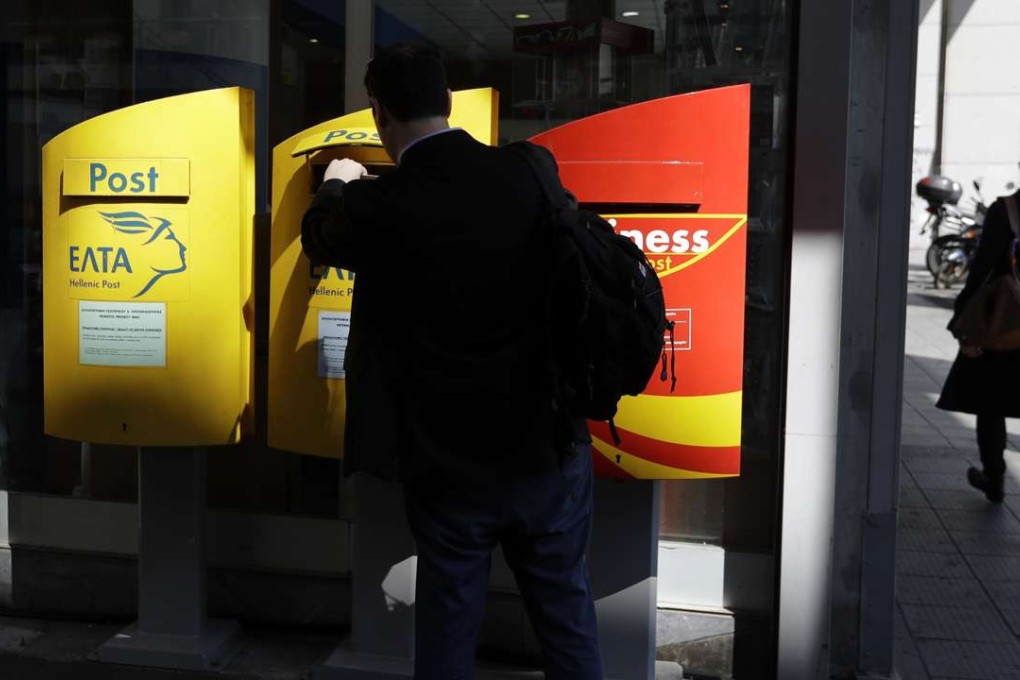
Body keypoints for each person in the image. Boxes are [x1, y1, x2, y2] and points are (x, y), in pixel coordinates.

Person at [301, 43, 603, 679]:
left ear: (380, 113)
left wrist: (336, 182)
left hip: (450, 463)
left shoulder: (381, 207)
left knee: (447, 623)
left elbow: (318, 238)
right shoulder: (529, 170)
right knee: (566, 617)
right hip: (545, 449)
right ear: (446, 102)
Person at [937, 188, 1020, 503]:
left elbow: (983, 267)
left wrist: (963, 316)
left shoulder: (1007, 210)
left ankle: (994, 475)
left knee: (991, 403)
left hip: (1004, 323)